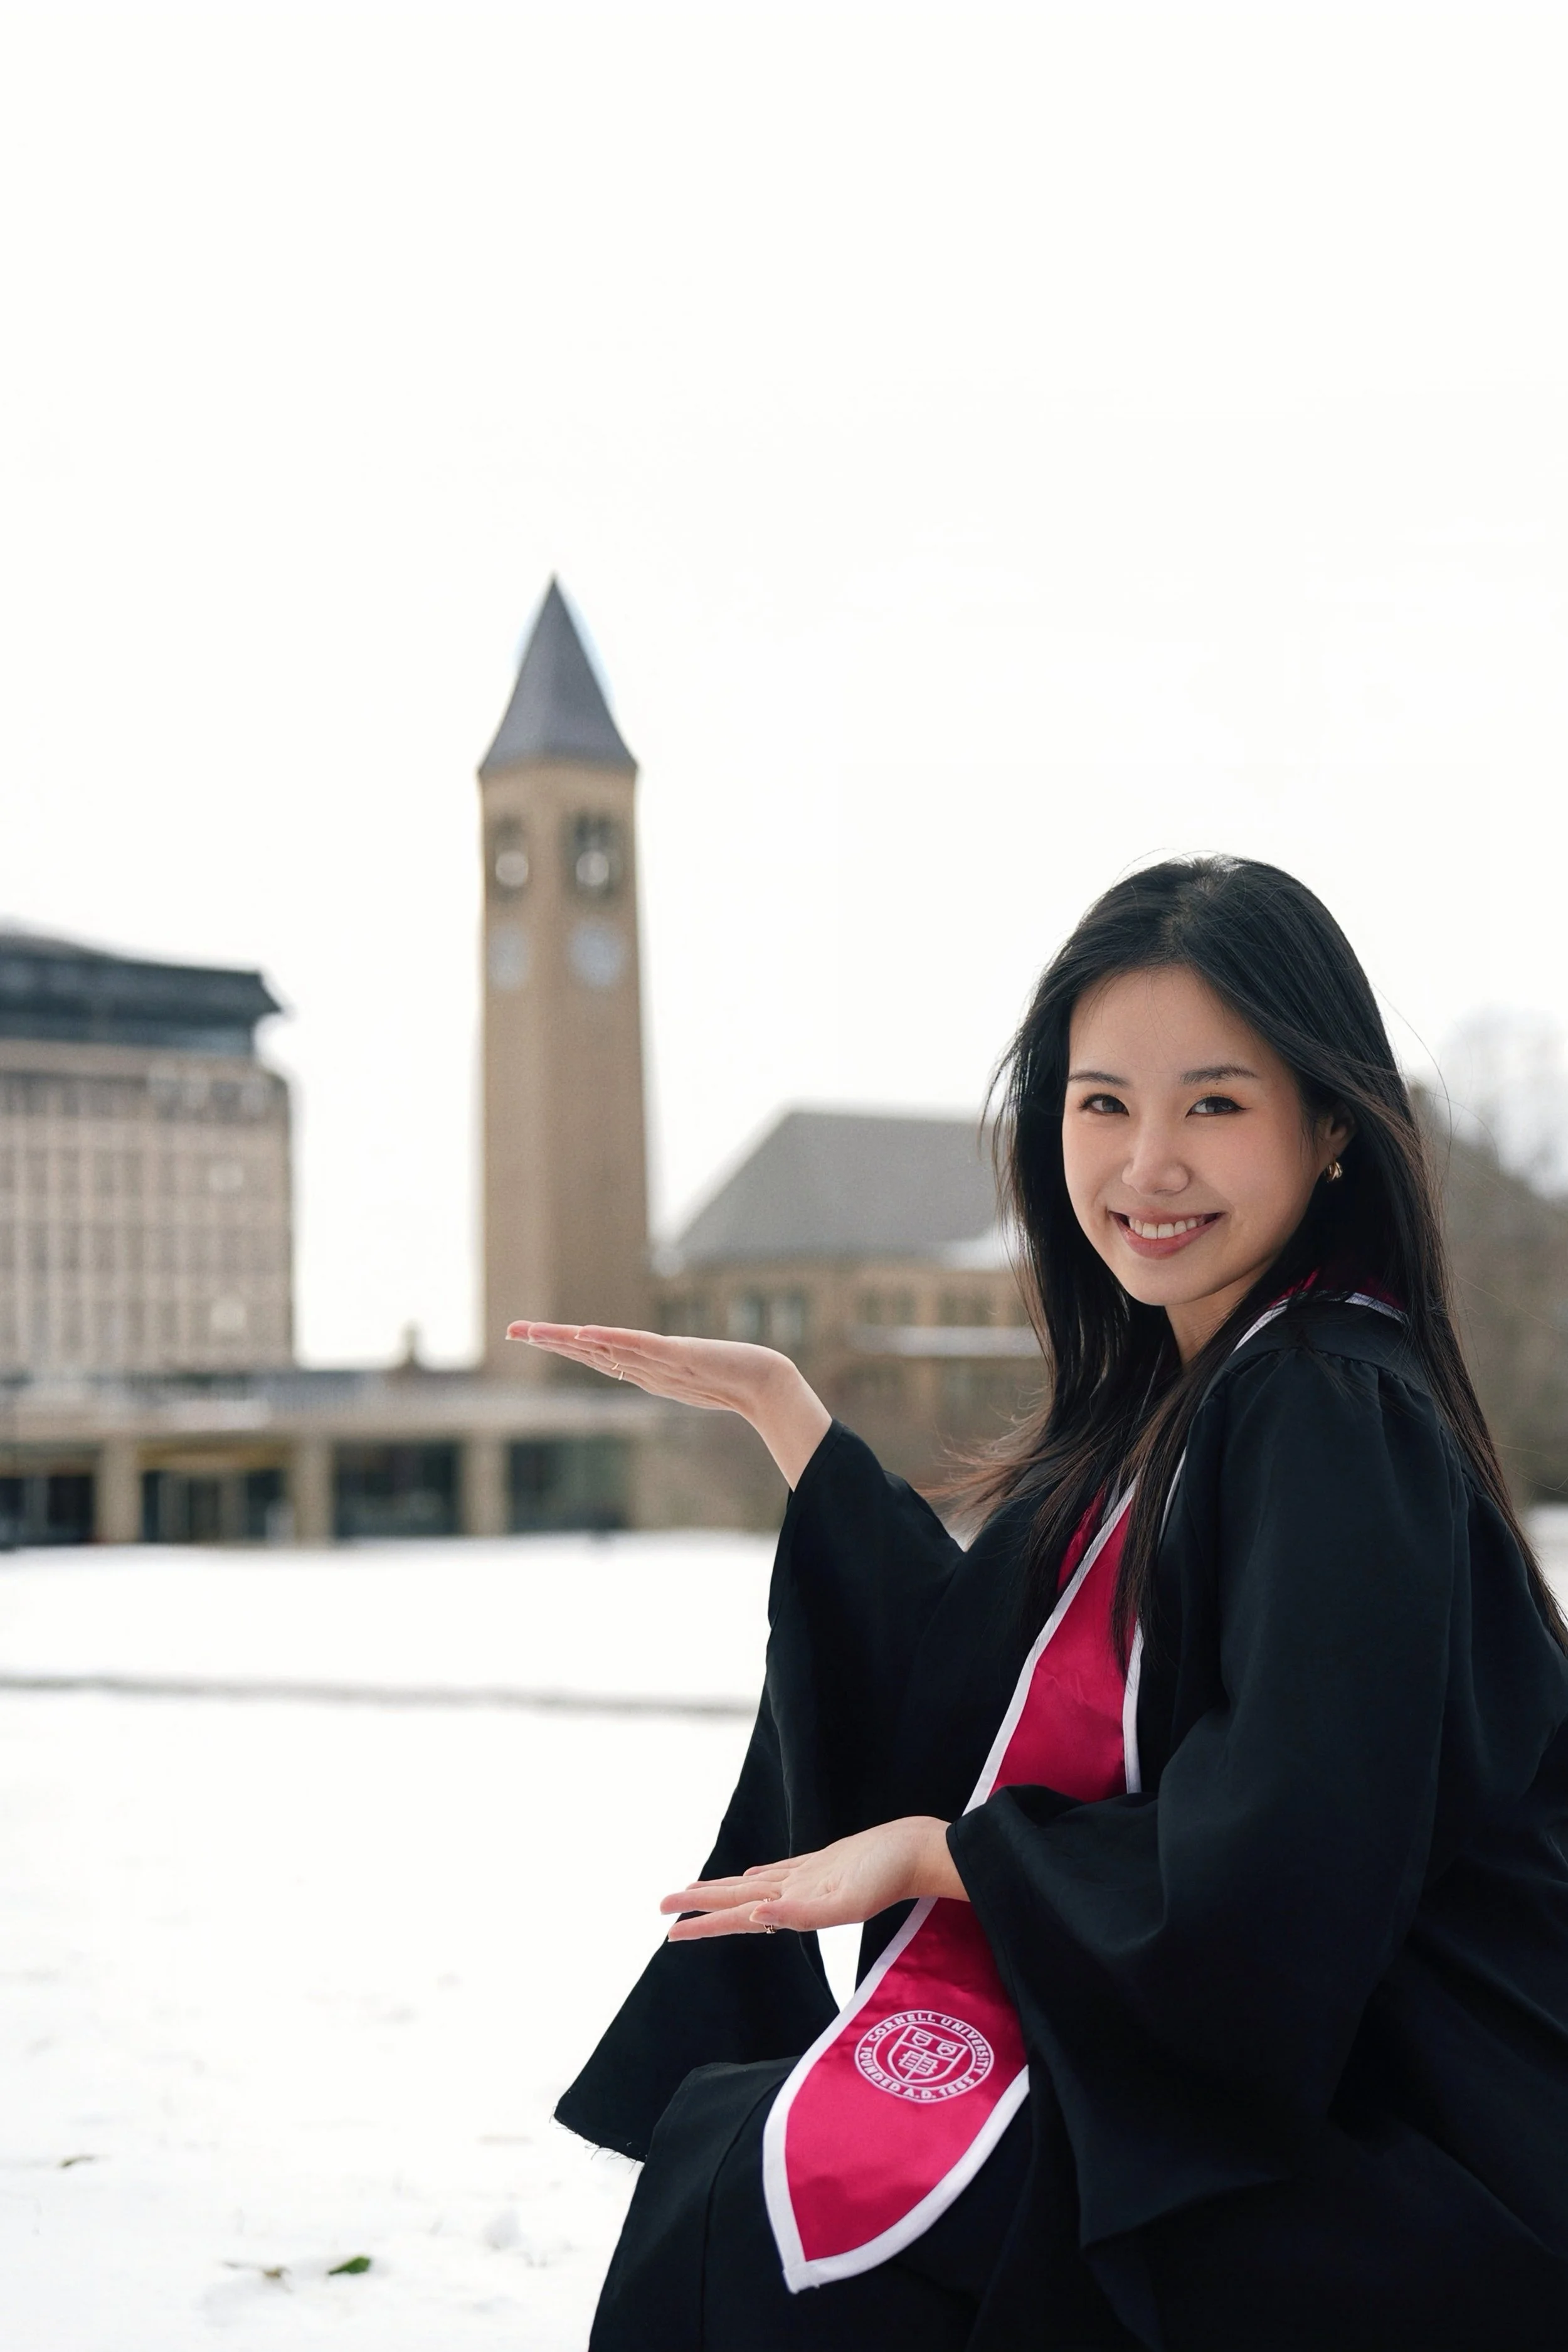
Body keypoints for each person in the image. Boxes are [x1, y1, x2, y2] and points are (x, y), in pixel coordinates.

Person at [514, 858, 1568, 2351]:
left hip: (1413, 2118)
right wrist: (800, 1430)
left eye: (1212, 1102)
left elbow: (1285, 1858)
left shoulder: (1327, 1409)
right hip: (1271, 2060)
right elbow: (1022, 1697)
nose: (1145, 1165)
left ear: (1330, 1124)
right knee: (745, 2159)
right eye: (1099, 1103)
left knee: (772, 2197)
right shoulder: (1198, 1386)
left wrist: (946, 1853)